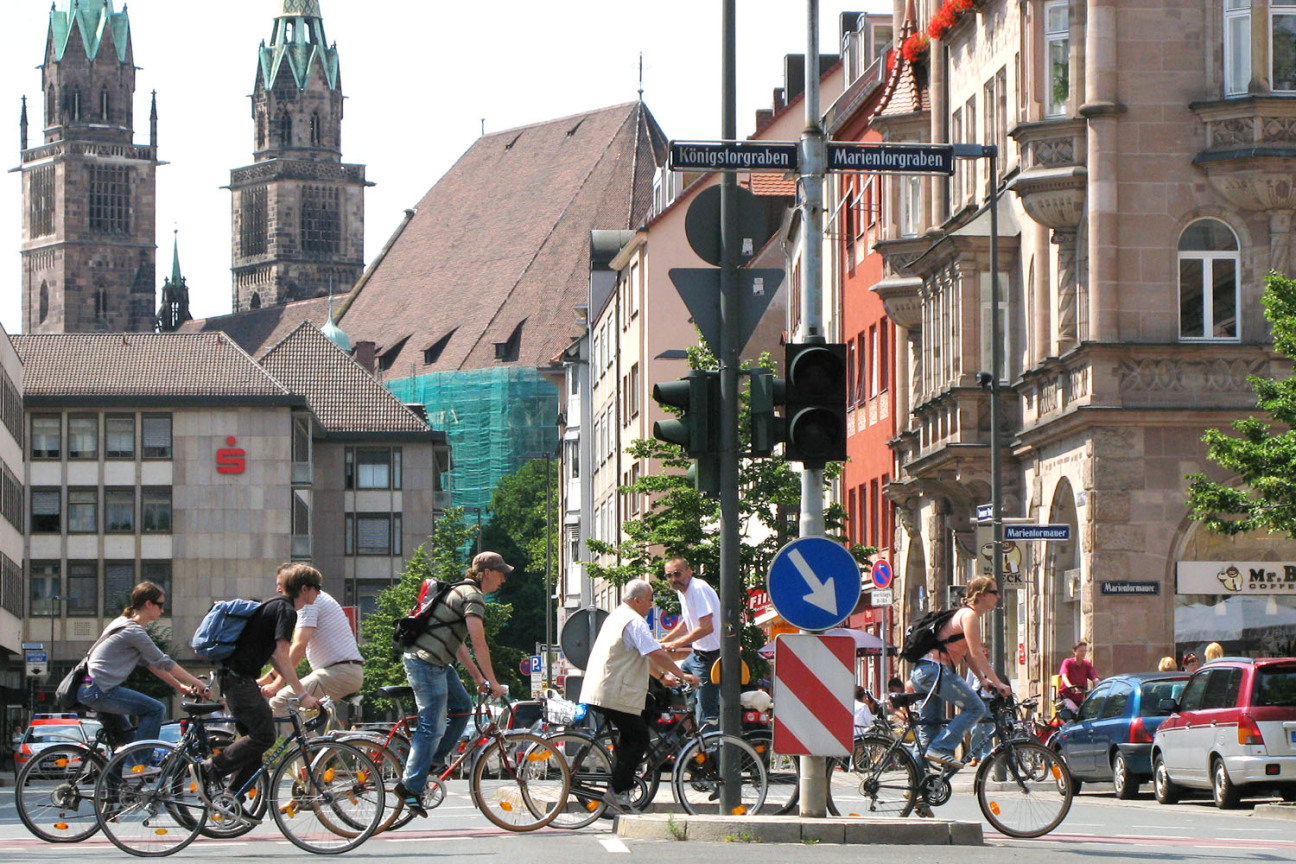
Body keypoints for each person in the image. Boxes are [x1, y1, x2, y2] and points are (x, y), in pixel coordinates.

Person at [395, 551, 509, 818]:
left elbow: (456, 643)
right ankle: (410, 786)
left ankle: (431, 763)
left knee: (461, 707)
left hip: (436, 662)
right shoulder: (472, 596)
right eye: (501, 573)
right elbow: (478, 643)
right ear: (487, 573)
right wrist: (493, 682)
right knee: (431, 725)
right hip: (426, 663)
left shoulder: (459, 591)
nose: (503, 580)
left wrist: (478, 678)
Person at [199, 568, 321, 794]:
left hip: (236, 679)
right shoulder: (286, 610)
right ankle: (210, 767)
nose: (319, 594)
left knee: (253, 745)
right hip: (239, 681)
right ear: (304, 588)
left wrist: (277, 684)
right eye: (317, 589)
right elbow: (283, 655)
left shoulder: (274, 606)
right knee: (264, 736)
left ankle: (231, 798)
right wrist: (302, 694)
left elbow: (275, 656)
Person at [582, 579, 700, 812]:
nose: (652, 604)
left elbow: (641, 657)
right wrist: (682, 675)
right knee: (639, 738)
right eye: (649, 599)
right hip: (614, 692)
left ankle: (621, 782)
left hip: (605, 688)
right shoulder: (634, 621)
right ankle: (617, 792)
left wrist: (662, 677)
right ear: (637, 600)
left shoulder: (617, 616)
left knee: (639, 724)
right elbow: (654, 651)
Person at [79, 582, 211, 748]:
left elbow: (151, 664)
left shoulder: (121, 622)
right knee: (156, 709)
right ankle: (139, 763)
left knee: (126, 743)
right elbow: (164, 661)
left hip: (89, 687)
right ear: (148, 604)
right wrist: (198, 683)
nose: (162, 611)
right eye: (160, 605)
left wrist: (179, 686)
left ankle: (119, 771)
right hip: (100, 690)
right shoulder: (133, 631)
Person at [909, 576, 1012, 769]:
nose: (998, 597)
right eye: (994, 592)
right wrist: (998, 683)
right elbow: (977, 653)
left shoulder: (964, 615)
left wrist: (982, 679)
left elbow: (968, 656)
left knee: (928, 731)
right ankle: (940, 748)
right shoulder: (969, 616)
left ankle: (916, 789)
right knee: (976, 708)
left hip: (924, 671)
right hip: (935, 670)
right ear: (980, 595)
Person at [259, 563, 364, 720]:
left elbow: (298, 647)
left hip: (339, 672)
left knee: (281, 702)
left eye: (281, 585)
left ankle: (309, 745)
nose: (278, 590)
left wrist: (277, 684)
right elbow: (287, 656)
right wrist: (267, 679)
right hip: (341, 671)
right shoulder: (311, 601)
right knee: (302, 712)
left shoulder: (309, 603)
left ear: (299, 586)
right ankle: (328, 744)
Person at [659, 557, 721, 730]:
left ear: (689, 571)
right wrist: (665, 641)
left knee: (705, 712)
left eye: (677, 574)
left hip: (710, 658)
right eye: (669, 576)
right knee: (672, 688)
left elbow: (706, 627)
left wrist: (675, 645)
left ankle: (709, 750)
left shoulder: (697, 589)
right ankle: (692, 737)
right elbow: (687, 623)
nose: (673, 579)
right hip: (696, 655)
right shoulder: (683, 592)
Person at [1059, 640, 1100, 714]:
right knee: (1075, 712)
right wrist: (1071, 686)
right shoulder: (1068, 662)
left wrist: (1100, 686)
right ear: (1074, 651)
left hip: (1079, 697)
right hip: (1066, 696)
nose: (1083, 653)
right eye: (1081, 651)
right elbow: (1064, 677)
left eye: (1085, 651)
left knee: (1087, 714)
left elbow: (1094, 678)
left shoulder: (1086, 664)